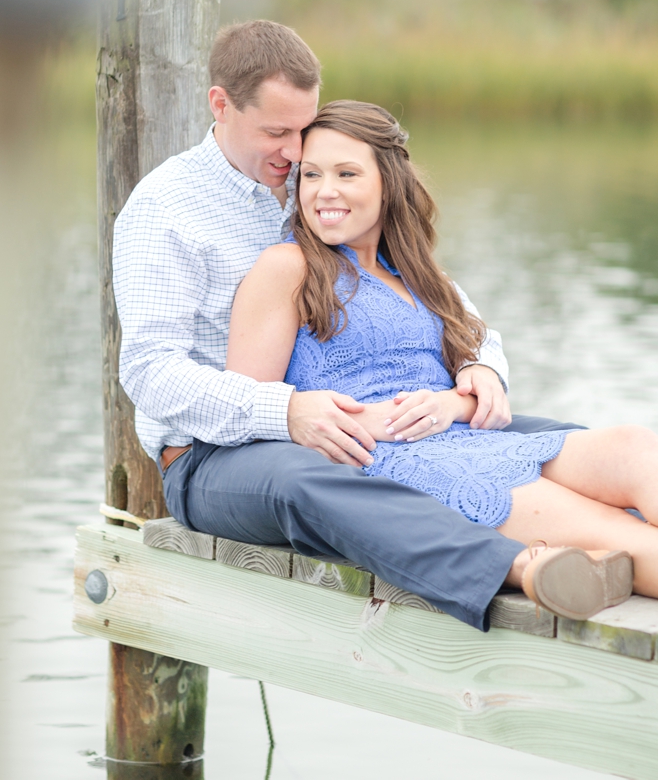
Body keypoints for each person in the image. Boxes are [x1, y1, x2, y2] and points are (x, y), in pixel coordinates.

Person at [112, 19, 579, 631]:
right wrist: (284, 412)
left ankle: (612, 529)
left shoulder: (313, 181)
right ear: (220, 106)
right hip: (212, 457)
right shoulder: (165, 209)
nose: (295, 153)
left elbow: (436, 296)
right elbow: (149, 372)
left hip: (360, 418)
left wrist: (479, 368)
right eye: (275, 132)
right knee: (310, 481)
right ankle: (514, 568)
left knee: (541, 436)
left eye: (302, 130)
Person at [226, 99, 651, 617]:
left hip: (469, 436)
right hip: (403, 461)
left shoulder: (413, 275)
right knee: (618, 533)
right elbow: (244, 407)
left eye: (346, 173)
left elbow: (473, 354)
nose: (324, 190)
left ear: (388, 181)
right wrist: (338, 417)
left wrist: (456, 398)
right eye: (311, 174)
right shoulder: (288, 266)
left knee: (634, 446)